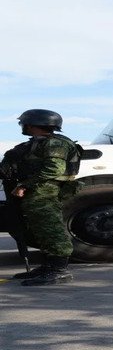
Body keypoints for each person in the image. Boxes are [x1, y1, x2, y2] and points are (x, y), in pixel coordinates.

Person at [1, 109, 82, 285]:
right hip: (37, 191)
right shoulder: (40, 143)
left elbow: (54, 169)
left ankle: (59, 270)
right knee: (40, 230)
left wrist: (25, 185)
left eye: (24, 123)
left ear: (31, 124)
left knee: (51, 229)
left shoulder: (55, 144)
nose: (22, 126)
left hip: (44, 192)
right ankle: (48, 266)